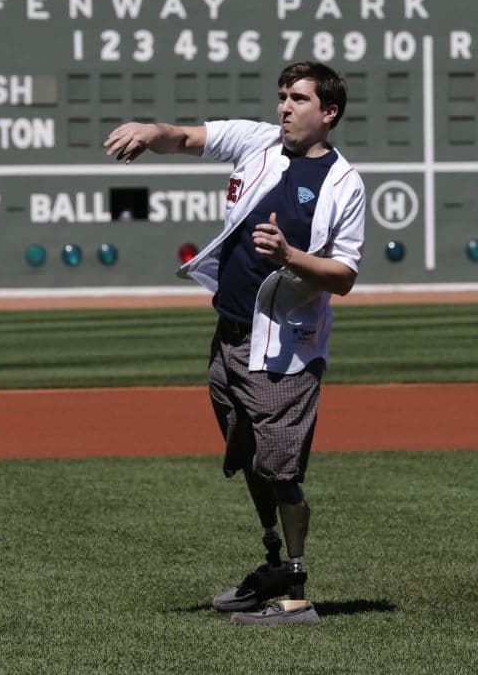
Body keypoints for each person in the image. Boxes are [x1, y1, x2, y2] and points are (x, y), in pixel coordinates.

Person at [104, 61, 365, 625]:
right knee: (245, 452)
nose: (285, 107)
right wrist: (152, 133)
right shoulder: (258, 142)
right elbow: (189, 138)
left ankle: (296, 591)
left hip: (284, 350)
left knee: (282, 468)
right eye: (282, 96)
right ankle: (272, 563)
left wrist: (290, 257)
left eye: (299, 98)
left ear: (329, 113)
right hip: (228, 336)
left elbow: (344, 276)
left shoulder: (343, 184)